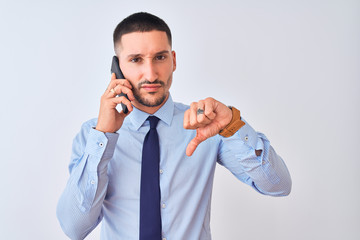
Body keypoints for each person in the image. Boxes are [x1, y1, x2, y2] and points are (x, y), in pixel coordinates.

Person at [56, 12, 292, 240]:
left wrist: (233, 125)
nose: (150, 74)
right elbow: (74, 228)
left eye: (160, 57)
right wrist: (104, 136)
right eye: (136, 60)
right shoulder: (93, 135)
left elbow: (278, 185)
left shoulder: (205, 124)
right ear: (117, 67)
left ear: (173, 60)